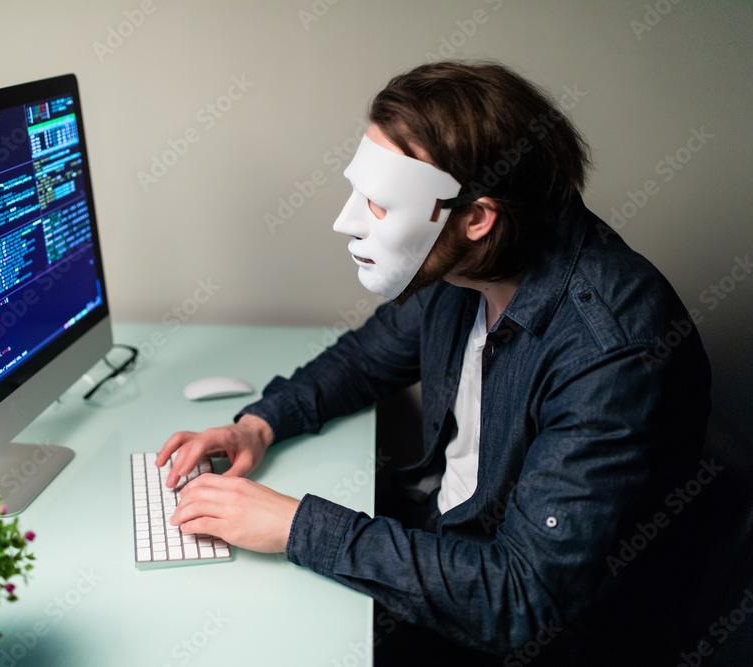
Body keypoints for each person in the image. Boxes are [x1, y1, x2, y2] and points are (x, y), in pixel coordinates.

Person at [156, 60, 711, 665]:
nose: (346, 220)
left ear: (477, 217)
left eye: (379, 202)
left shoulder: (613, 352)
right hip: (441, 540)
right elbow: (366, 360)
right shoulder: (467, 264)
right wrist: (256, 426)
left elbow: (521, 598)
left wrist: (294, 527)